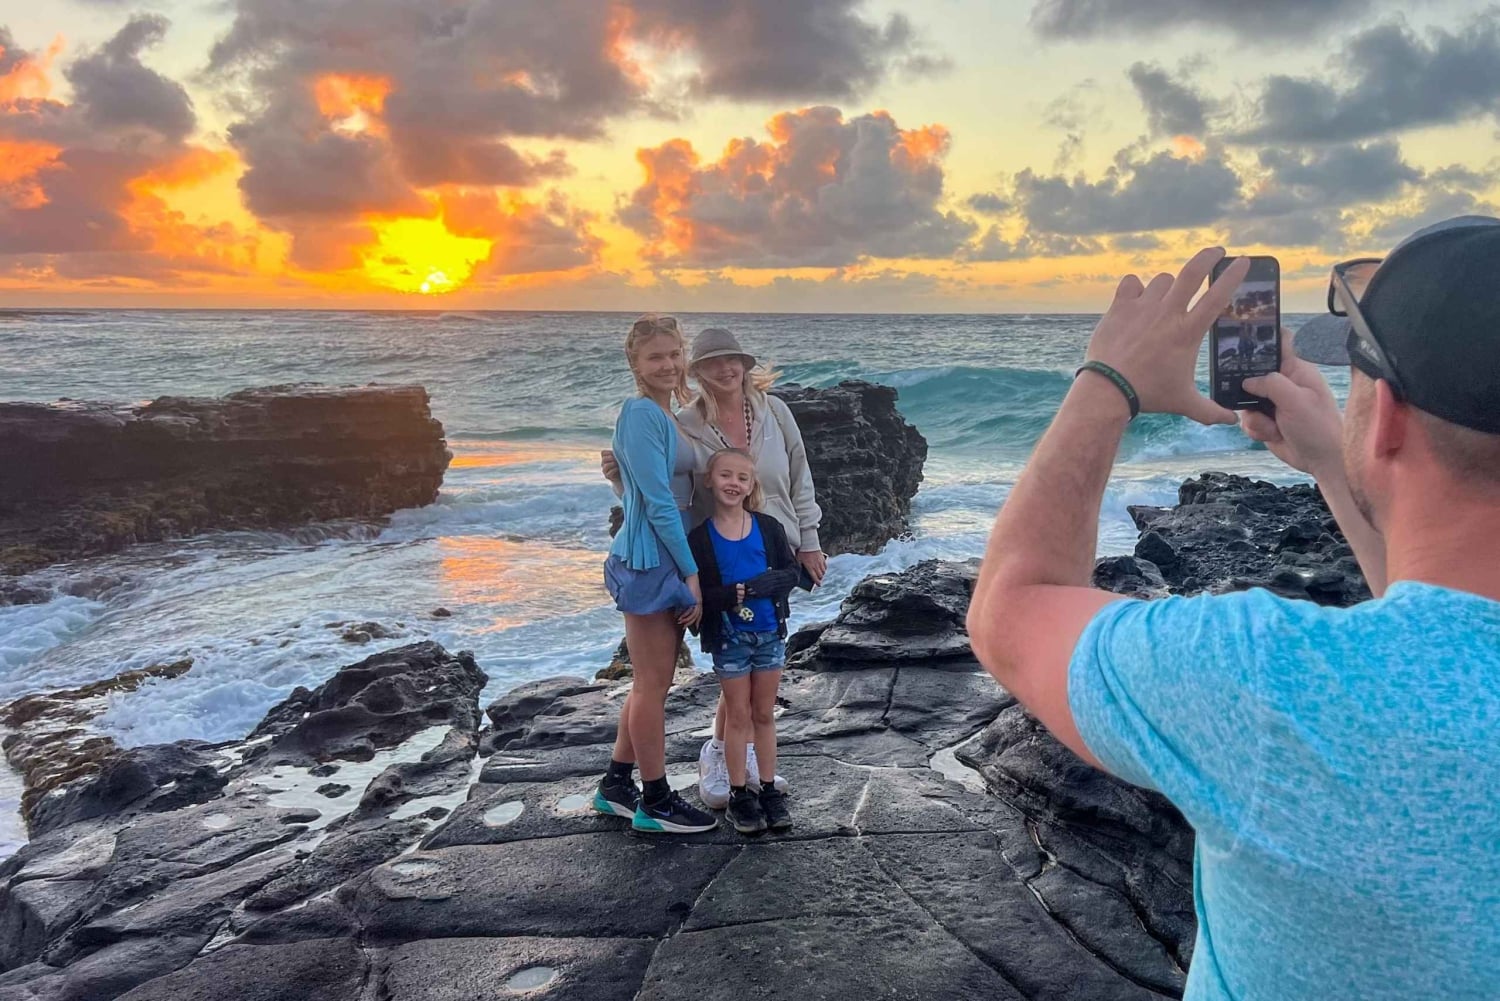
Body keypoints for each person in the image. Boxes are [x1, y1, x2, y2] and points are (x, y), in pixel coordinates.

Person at [965, 216, 1500, 1000]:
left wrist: (1108, 382)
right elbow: (1445, 634)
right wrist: (1330, 461)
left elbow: (1013, 605)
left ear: (1384, 416)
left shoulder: (1273, 683)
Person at [604, 327, 821, 808]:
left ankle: (711, 759)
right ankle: (703, 767)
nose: (727, 370)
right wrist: (623, 479)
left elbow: (801, 477)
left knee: (750, 653)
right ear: (697, 372)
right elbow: (664, 495)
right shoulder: (682, 422)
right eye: (713, 362)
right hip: (710, 559)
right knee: (722, 661)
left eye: (735, 360)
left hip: (773, 550)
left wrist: (810, 541)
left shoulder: (774, 411)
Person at [593, 313, 718, 834]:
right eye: (655, 357)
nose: (668, 365)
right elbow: (661, 505)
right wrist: (691, 576)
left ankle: (616, 786)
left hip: (660, 553)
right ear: (635, 364)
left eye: (673, 354)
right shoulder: (642, 414)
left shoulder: (663, 414)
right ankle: (656, 800)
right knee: (652, 684)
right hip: (651, 562)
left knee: (652, 682)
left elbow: (643, 493)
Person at [687, 448, 799, 835]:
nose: (733, 483)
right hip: (729, 639)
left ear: (752, 486)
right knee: (737, 716)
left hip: (769, 634)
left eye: (742, 478)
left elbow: (791, 573)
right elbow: (699, 595)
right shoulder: (699, 539)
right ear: (709, 481)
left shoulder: (768, 528)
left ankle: (768, 788)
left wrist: (765, 585)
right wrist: (732, 595)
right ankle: (739, 794)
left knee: (764, 714)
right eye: (726, 476)